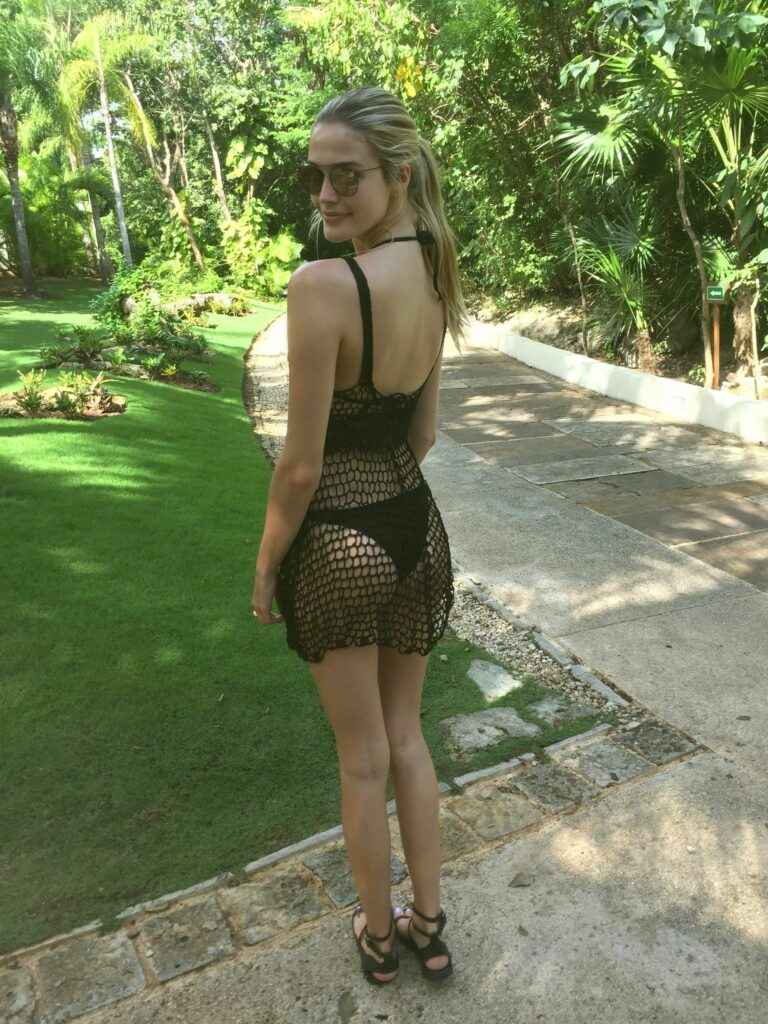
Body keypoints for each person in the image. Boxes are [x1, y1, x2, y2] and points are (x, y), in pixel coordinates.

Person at [251, 85, 470, 985]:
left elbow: (300, 467)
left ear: (399, 174)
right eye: (316, 176)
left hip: (340, 540)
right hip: (417, 530)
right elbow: (423, 434)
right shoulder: (435, 272)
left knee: (362, 758)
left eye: (347, 176)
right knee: (407, 737)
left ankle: (378, 936)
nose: (326, 195)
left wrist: (267, 563)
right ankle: (429, 924)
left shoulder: (322, 286)